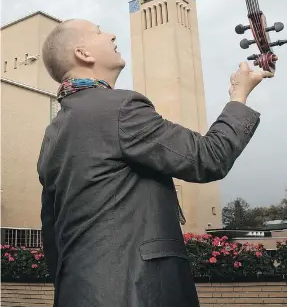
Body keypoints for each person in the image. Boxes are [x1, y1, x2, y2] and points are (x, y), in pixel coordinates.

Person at [37, 19, 272, 307]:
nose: (111, 33)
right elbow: (209, 157)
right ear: (84, 54)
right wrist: (239, 95)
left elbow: (52, 237)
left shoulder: (53, 134)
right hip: (134, 294)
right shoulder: (120, 108)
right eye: (99, 32)